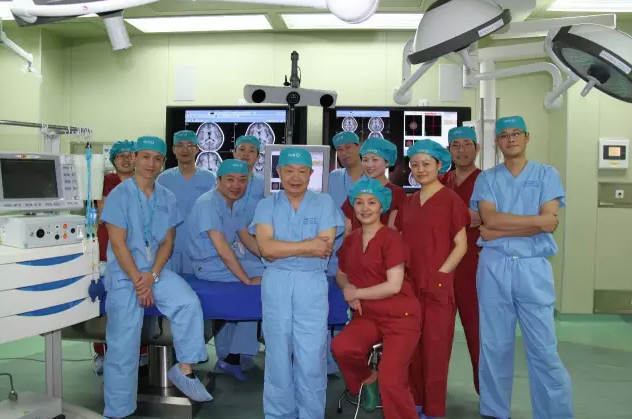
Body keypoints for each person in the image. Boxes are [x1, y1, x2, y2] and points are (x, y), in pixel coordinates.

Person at [101, 136, 212, 419]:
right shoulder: (120, 195)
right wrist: (138, 280)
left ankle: (184, 368)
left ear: (163, 162)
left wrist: (151, 276)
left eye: (158, 159)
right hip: (125, 275)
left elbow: (167, 243)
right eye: (146, 156)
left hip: (156, 271)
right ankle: (118, 410)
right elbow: (118, 243)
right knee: (123, 344)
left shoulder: (167, 197)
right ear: (136, 158)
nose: (151, 163)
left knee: (187, 302)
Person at [470, 116, 573, 419]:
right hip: (494, 268)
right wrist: (536, 222)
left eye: (516, 133)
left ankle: (555, 414)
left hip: (532, 268)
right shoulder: (487, 179)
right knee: (494, 345)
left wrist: (497, 230)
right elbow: (491, 218)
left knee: (544, 348)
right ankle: (494, 411)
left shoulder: (546, 174)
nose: (511, 138)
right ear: (497, 142)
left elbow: (549, 223)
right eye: (504, 134)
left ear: (527, 137)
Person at [250, 147, 345, 419]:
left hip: (310, 283)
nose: (295, 177)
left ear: (311, 174)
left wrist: (283, 248)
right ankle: (279, 414)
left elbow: (324, 248)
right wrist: (308, 245)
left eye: (302, 171)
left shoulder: (324, 203)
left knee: (312, 355)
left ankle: (310, 414)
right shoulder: (267, 205)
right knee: (277, 354)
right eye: (289, 171)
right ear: (279, 173)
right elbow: (266, 248)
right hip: (277, 283)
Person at [331, 178, 421, 419]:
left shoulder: (392, 239)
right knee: (342, 347)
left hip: (401, 318)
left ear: (382, 206)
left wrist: (357, 293)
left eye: (372, 202)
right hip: (368, 315)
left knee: (392, 381)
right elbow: (340, 273)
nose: (365, 208)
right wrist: (347, 287)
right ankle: (368, 378)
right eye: (359, 202)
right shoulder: (351, 240)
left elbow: (394, 285)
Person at [400, 140, 469, 419]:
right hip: (410, 285)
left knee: (435, 350)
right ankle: (415, 403)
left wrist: (440, 276)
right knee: (412, 348)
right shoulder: (409, 202)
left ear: (440, 165)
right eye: (415, 164)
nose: (420, 169)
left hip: (438, 287)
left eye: (426, 164)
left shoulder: (451, 200)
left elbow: (461, 245)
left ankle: (434, 410)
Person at [186, 159, 263, 382]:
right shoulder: (208, 203)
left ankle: (235, 353)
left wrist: (273, 259)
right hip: (210, 266)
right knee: (259, 287)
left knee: (272, 273)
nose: (236, 185)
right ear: (218, 180)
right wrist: (247, 279)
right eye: (230, 179)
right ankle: (232, 356)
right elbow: (222, 249)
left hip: (226, 260)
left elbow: (247, 238)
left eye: (242, 180)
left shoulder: (235, 203)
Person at [94, 140, 145, 374]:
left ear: (136, 158)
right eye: (119, 156)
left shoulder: (143, 182)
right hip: (109, 249)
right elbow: (104, 214)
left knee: (137, 302)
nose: (125, 159)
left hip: (138, 251)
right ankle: (103, 352)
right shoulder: (106, 182)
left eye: (129, 155)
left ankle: (141, 352)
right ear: (113, 160)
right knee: (111, 304)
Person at [439, 126, 482, 394]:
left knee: (477, 333)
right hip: (441, 267)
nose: (462, 150)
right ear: (448, 150)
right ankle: (432, 396)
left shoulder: (486, 181)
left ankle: (487, 395)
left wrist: (444, 215)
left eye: (467, 144)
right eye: (456, 145)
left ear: (477, 148)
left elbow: (483, 218)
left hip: (473, 267)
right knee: (436, 336)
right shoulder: (441, 180)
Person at [225, 134, 265, 373]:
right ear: (234, 152)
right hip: (228, 248)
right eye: (242, 149)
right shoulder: (223, 182)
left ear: (258, 157)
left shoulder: (264, 184)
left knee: (251, 300)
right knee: (228, 302)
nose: (246, 154)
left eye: (252, 150)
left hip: (257, 248)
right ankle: (226, 354)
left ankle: (243, 353)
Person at [326, 131, 363, 376]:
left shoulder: (371, 177)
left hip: (362, 252)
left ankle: (356, 361)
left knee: (359, 308)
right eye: (339, 149)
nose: (344, 153)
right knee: (333, 307)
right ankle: (331, 361)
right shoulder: (332, 178)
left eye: (349, 147)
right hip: (333, 253)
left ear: (359, 147)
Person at [157, 130, 216, 274]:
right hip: (170, 247)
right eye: (180, 145)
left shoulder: (210, 179)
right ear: (173, 149)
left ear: (197, 149)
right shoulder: (163, 180)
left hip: (200, 247)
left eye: (190, 145)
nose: (185, 149)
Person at [341, 138, 405, 235]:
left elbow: (393, 230)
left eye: (375, 159)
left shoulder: (397, 193)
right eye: (365, 160)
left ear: (387, 162)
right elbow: (348, 229)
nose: (369, 165)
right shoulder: (356, 190)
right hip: (355, 244)